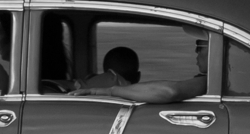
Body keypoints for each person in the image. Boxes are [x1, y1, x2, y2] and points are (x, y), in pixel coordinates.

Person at [69, 34, 207, 104]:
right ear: (138, 75)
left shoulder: (208, 81)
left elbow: (170, 91)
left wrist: (105, 91)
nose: (196, 50)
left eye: (201, 45)